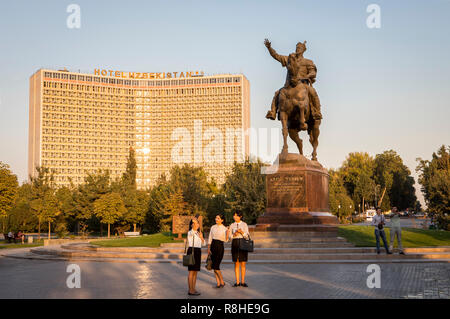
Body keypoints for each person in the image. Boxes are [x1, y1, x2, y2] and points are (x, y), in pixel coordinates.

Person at [207, 214, 229, 288]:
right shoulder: (212, 227)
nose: (216, 219)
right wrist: (208, 248)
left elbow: (226, 240)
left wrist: (228, 234)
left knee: (216, 266)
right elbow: (210, 237)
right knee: (214, 266)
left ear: (222, 220)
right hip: (213, 246)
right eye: (216, 218)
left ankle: (222, 281)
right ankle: (218, 283)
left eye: (218, 218)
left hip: (220, 247)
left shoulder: (225, 228)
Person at [229, 211, 250, 287]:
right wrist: (234, 234)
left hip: (243, 243)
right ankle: (237, 282)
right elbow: (229, 237)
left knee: (243, 263)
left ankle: (243, 281)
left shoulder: (244, 224)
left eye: (236, 216)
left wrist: (241, 232)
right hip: (235, 243)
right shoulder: (232, 225)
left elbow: (247, 236)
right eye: (234, 215)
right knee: (236, 263)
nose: (235, 217)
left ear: (240, 216)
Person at [186, 218, 205, 296]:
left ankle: (193, 289)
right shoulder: (190, 232)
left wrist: (201, 237)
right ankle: (190, 290)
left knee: (195, 272)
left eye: (197, 223)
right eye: (193, 223)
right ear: (191, 225)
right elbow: (191, 235)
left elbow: (203, 244)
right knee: (191, 271)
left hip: (198, 251)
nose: (196, 224)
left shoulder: (199, 232)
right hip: (191, 251)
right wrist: (194, 229)